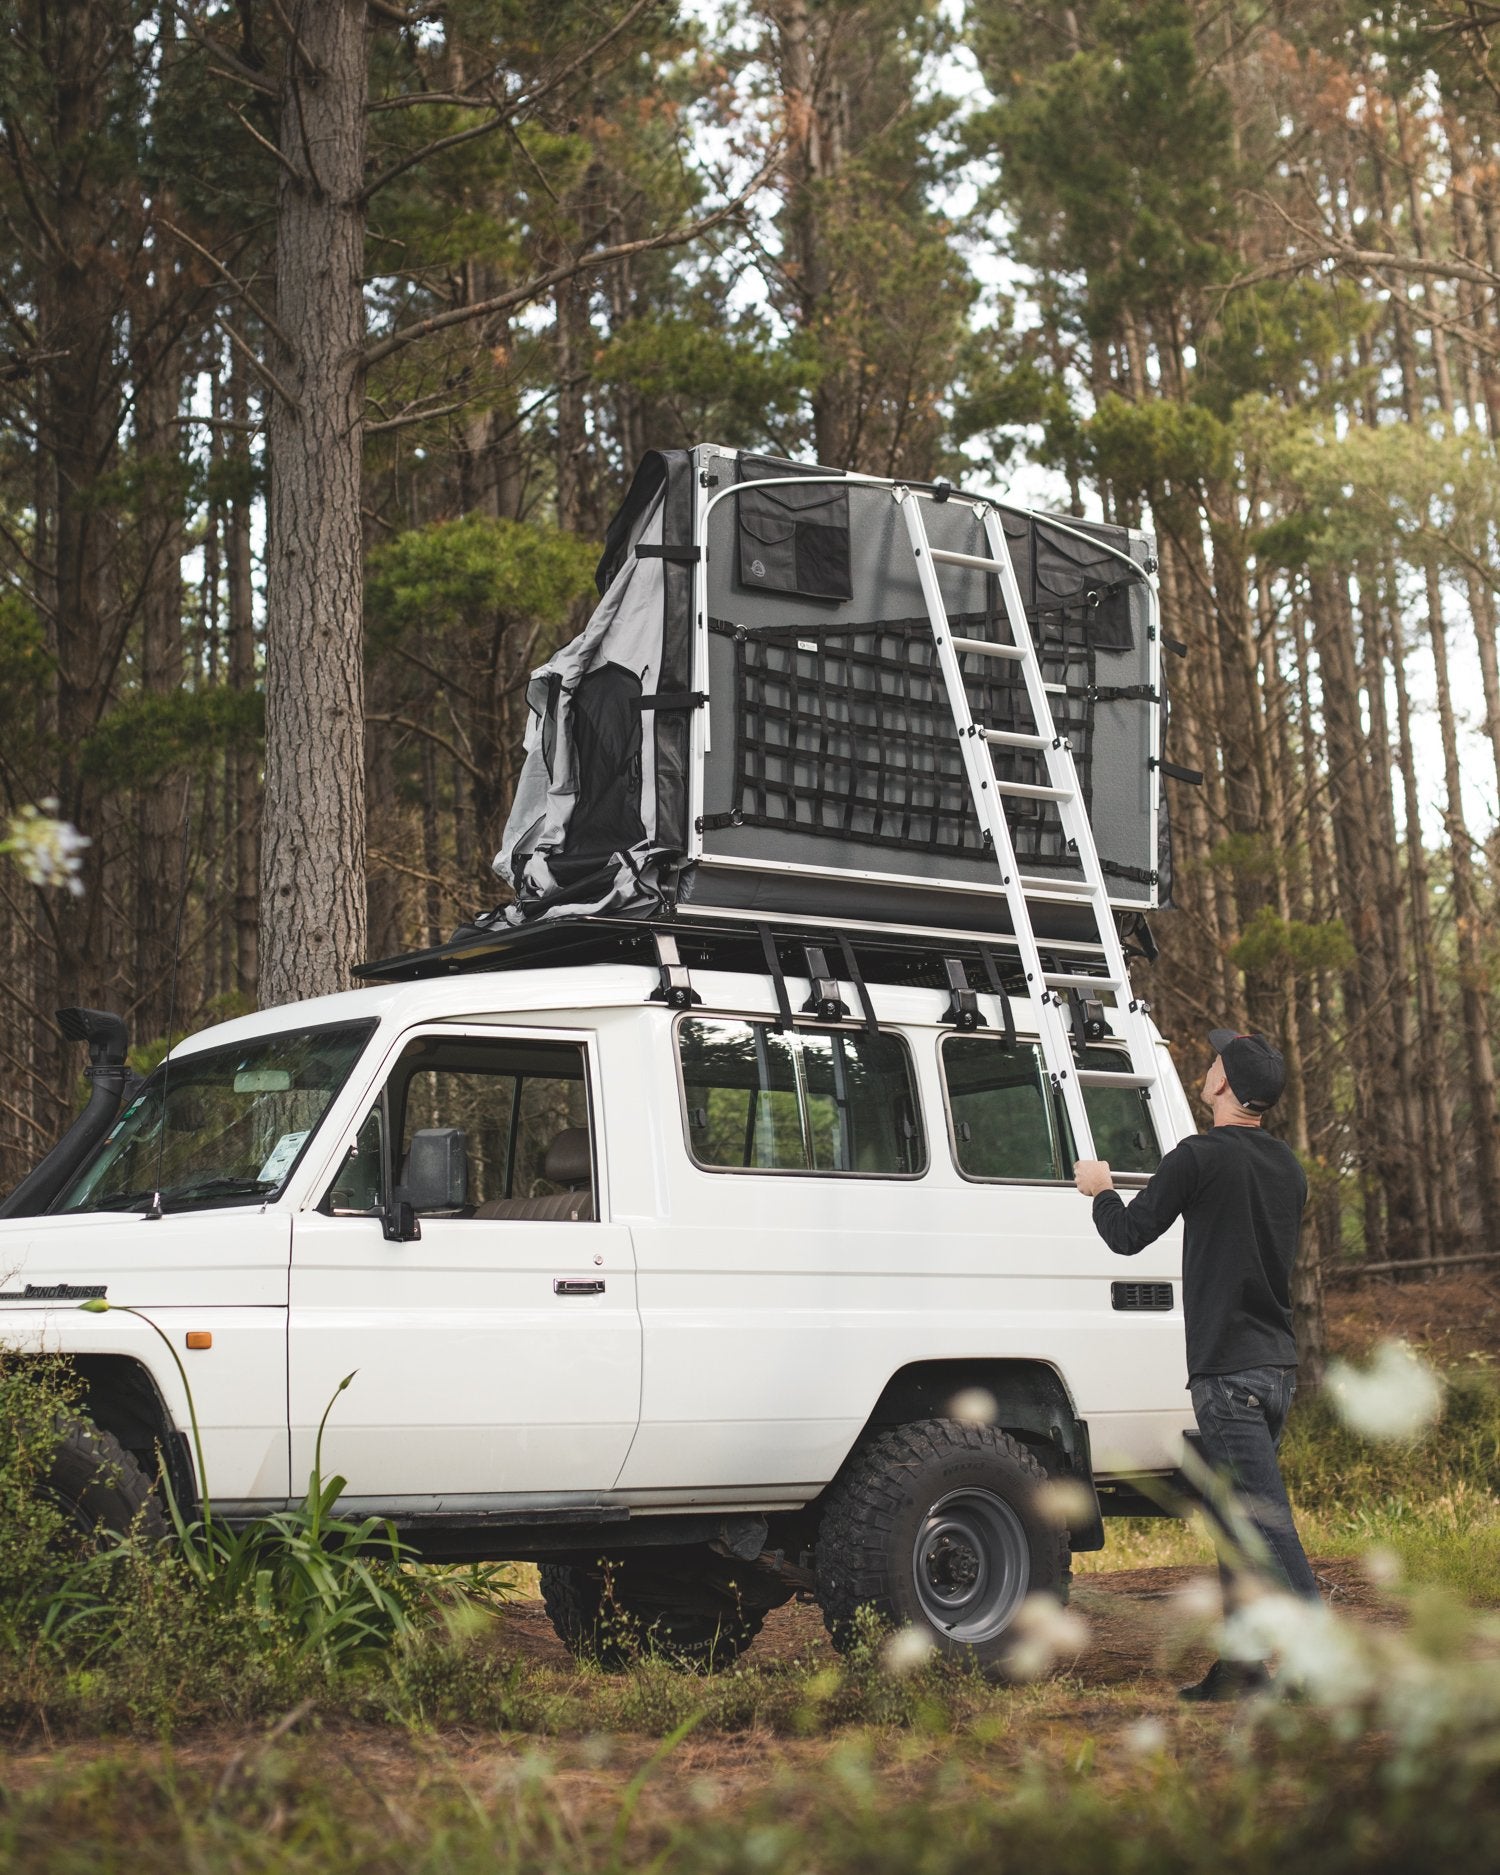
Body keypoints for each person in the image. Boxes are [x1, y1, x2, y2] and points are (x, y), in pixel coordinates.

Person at [1072, 1027, 1319, 1701]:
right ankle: (1242, 1668)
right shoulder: (1288, 1168)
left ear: (1224, 1085)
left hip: (1227, 1377)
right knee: (1237, 1522)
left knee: (1264, 1521)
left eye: (1214, 1062)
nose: (1206, 1066)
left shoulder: (1198, 1157)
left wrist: (1100, 1189)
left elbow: (1127, 1236)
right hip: (1277, 1371)